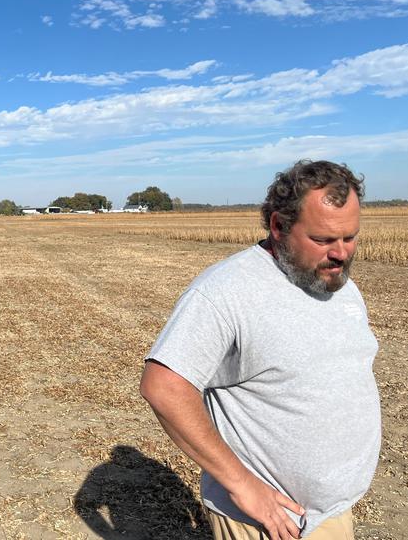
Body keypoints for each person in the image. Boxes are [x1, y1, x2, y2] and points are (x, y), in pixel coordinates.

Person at [140, 160, 380, 540]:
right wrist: (243, 486)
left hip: (331, 511)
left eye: (350, 237)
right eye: (322, 240)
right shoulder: (226, 292)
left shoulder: (339, 285)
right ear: (279, 226)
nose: (341, 254)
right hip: (273, 520)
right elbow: (163, 386)